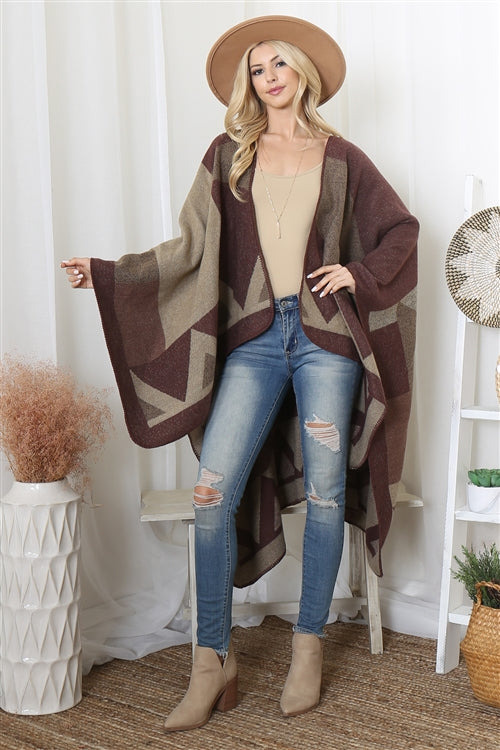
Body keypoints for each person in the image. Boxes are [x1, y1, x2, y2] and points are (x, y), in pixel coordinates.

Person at [62, 15, 418, 733]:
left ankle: (308, 646)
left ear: (303, 74)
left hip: (324, 340)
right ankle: (212, 661)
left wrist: (355, 272)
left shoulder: (343, 159)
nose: (269, 77)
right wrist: (110, 274)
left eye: (279, 63)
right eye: (257, 69)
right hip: (253, 341)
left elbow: (402, 231)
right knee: (210, 496)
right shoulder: (229, 156)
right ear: (248, 85)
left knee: (325, 496)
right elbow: (190, 249)